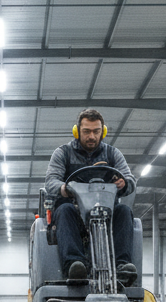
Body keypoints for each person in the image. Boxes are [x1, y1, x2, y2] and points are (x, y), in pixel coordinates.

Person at [44, 108, 138, 285]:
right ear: (77, 131)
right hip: (74, 215)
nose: (92, 136)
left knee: (124, 211)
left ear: (102, 132)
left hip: (106, 214)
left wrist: (124, 183)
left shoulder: (113, 154)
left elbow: (129, 179)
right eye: (86, 131)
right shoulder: (63, 153)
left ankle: (122, 265)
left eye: (96, 131)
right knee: (64, 209)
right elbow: (51, 181)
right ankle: (74, 264)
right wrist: (64, 188)